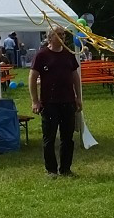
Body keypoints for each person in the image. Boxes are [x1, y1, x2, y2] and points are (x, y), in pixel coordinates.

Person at [29, 25, 82, 178]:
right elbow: (32, 78)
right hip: (49, 103)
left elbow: (75, 76)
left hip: (68, 101)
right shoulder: (42, 55)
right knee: (49, 138)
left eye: (63, 34)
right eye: (58, 34)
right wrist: (35, 101)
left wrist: (78, 97)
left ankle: (66, 169)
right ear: (50, 37)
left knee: (68, 138)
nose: (62, 37)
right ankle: (51, 170)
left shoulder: (68, 54)